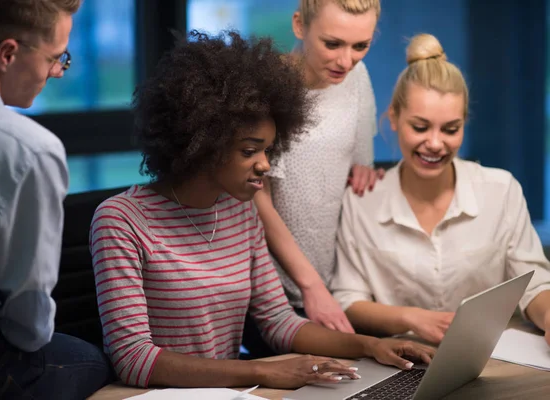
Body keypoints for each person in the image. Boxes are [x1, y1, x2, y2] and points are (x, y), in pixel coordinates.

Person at [89, 30, 435, 390]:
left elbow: (278, 321)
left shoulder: (240, 213)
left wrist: (371, 345)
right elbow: (133, 358)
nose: (265, 165)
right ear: (204, 144)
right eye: (249, 151)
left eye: (268, 150)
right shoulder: (121, 220)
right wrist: (262, 372)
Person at [331, 33, 550, 348]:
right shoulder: (361, 201)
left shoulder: (500, 191)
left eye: (451, 129)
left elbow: (534, 285)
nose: (435, 143)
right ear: (393, 118)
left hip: (489, 360)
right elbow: (348, 300)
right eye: (420, 127)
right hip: (399, 362)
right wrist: (412, 318)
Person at [0, 1, 113, 398]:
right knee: (94, 361)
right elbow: (28, 321)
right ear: (7, 54)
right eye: (55, 58)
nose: (57, 71)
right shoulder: (27, 149)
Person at [249, 0, 384, 349]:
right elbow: (253, 197)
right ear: (299, 25)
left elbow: (360, 162)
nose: (346, 61)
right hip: (274, 290)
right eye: (332, 43)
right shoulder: (267, 90)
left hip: (336, 282)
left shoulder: (358, 77)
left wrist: (364, 173)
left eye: (361, 46)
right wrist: (310, 285)